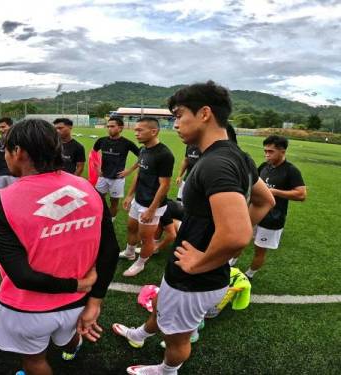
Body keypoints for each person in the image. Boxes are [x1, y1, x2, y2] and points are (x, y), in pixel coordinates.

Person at [113, 81, 274, 375]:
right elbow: (265, 200)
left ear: (204, 114)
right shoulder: (237, 155)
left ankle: (166, 371)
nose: (175, 123)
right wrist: (214, 244)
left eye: (179, 115)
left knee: (178, 337)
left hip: (195, 278)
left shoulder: (217, 163)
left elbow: (238, 235)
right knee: (162, 303)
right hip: (193, 269)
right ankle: (140, 335)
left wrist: (202, 261)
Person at [0, 119, 119, 375]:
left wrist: (76, 285)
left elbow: (22, 277)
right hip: (78, 303)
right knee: (67, 335)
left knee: (35, 362)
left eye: (6, 150)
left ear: (19, 152)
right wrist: (94, 301)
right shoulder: (89, 189)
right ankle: (73, 344)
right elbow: (110, 251)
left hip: (28, 310)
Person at [230, 135, 306, 279]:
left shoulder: (291, 170)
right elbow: (253, 183)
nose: (266, 154)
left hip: (272, 219)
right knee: (240, 240)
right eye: (265, 151)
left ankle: (249, 275)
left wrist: (275, 192)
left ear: (282, 151)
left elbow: (301, 194)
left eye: (270, 152)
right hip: (253, 212)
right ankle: (230, 264)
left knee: (260, 250)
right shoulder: (265, 166)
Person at [119, 117, 174, 277]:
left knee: (146, 238)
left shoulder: (164, 154)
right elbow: (140, 173)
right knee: (131, 227)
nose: (135, 133)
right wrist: (130, 195)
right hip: (139, 199)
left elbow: (165, 185)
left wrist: (151, 209)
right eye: (135, 130)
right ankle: (130, 253)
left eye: (139, 130)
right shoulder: (143, 150)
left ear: (154, 131)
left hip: (151, 205)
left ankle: (140, 263)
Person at [92, 117, 139, 221]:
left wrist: (129, 170)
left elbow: (142, 157)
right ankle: (98, 217)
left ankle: (111, 220)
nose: (109, 128)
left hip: (117, 179)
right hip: (103, 177)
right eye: (108, 126)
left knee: (114, 202)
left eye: (112, 126)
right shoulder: (101, 140)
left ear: (120, 128)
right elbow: (93, 153)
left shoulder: (127, 143)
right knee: (98, 198)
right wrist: (97, 168)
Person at [0, 117, 18, 190]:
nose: (0, 130)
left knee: (14, 194)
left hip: (14, 174)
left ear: (11, 126)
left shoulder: (18, 141)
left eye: (3, 127)